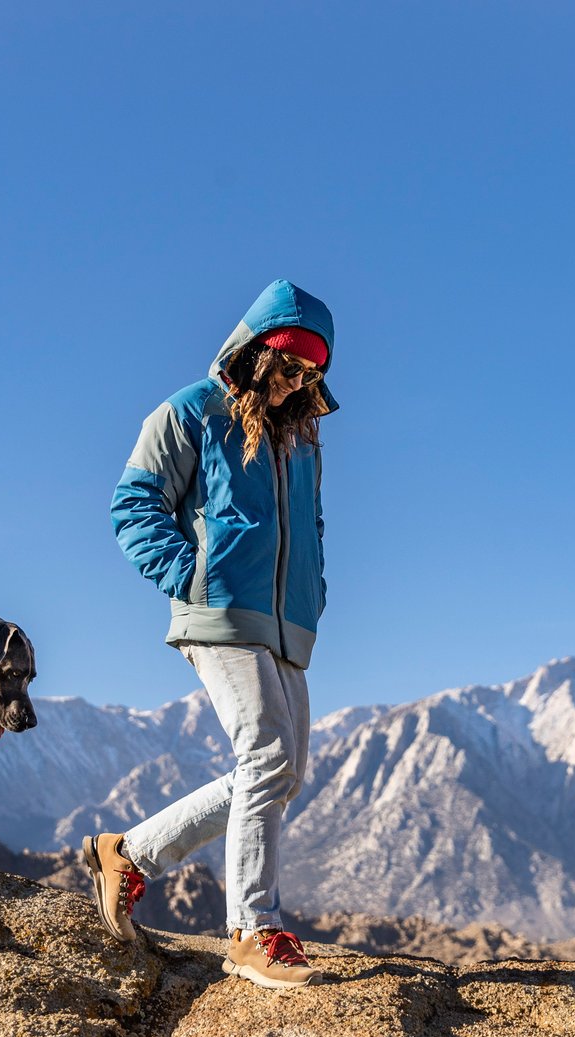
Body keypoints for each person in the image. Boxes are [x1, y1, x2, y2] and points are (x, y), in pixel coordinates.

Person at [84, 279, 338, 989]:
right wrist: (189, 578)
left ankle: (129, 854)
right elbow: (133, 504)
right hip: (221, 612)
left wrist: (314, 591)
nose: (297, 383)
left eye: (312, 373)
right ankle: (252, 929)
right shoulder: (191, 412)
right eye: (289, 367)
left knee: (280, 773)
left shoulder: (300, 439)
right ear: (256, 354)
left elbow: (309, 527)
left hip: (285, 624)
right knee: (266, 754)